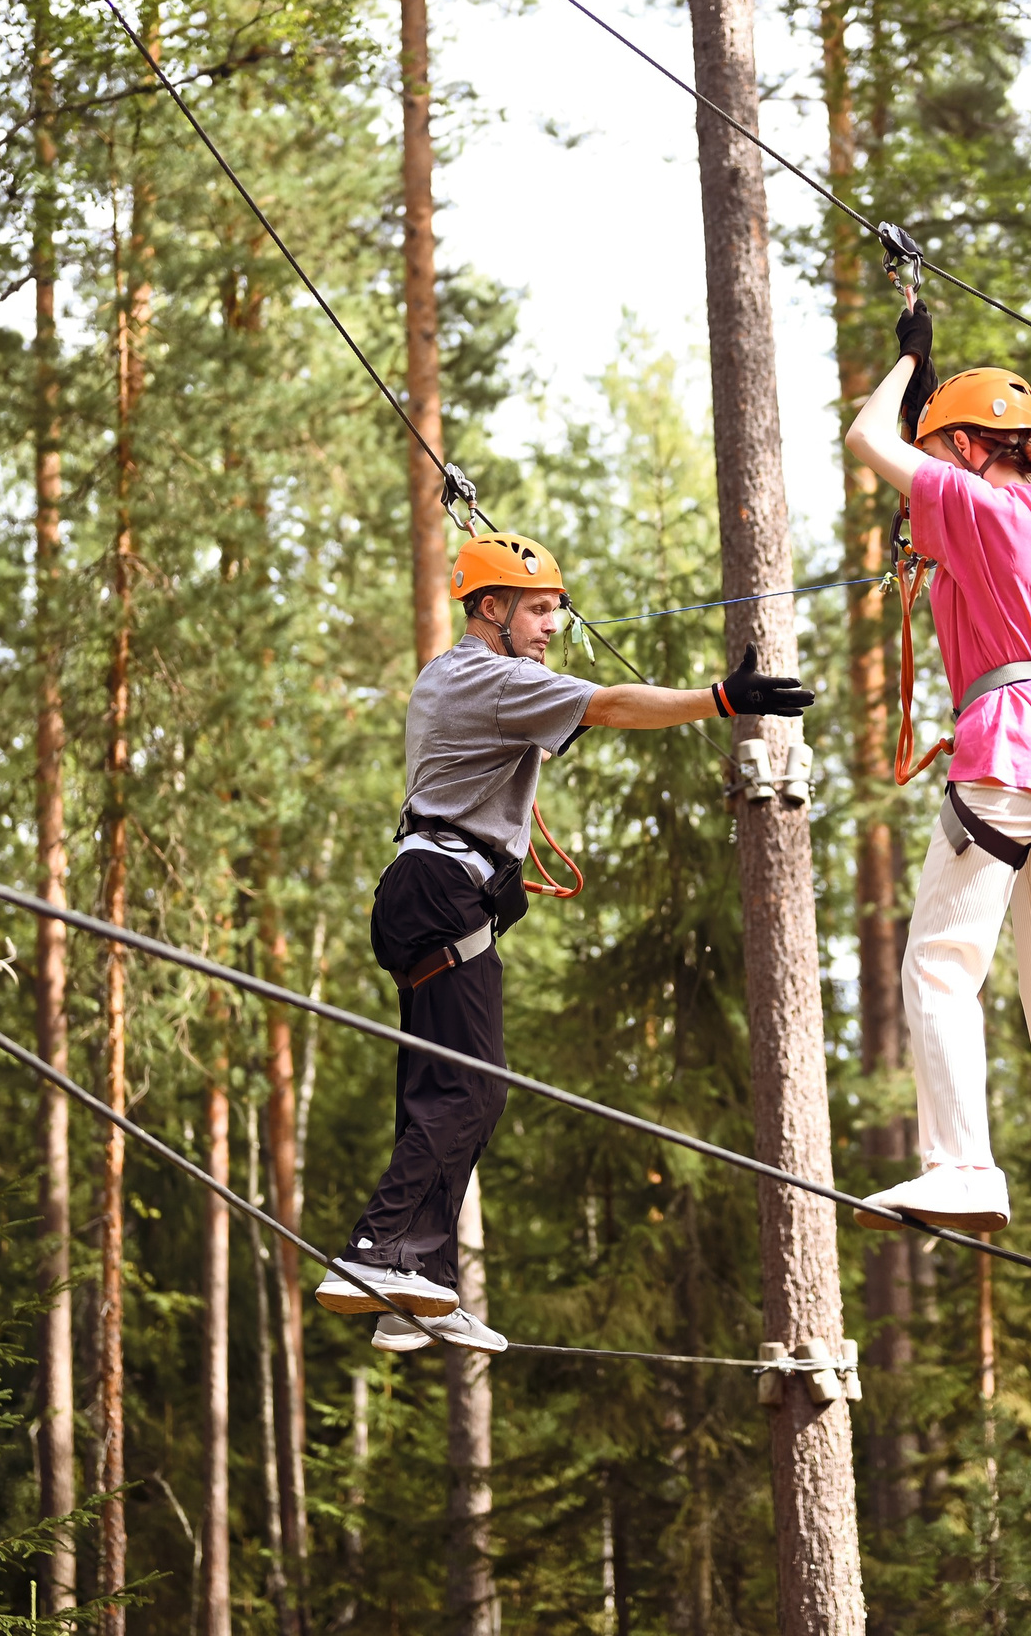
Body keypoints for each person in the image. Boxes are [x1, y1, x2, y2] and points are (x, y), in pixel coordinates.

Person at [317, 530, 815, 1351]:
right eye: (540, 610)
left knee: (446, 1093)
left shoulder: (466, 673)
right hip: (442, 890)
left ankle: (418, 1287)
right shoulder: (490, 676)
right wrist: (722, 701)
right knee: (471, 1091)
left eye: (556, 610)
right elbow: (615, 705)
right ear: (490, 609)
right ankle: (376, 1254)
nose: (553, 626)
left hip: (431, 889)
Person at [839, 300, 1031, 1294]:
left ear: (970, 449)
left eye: (941, 454)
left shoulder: (974, 502)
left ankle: (962, 1164)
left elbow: (861, 438)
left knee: (939, 962)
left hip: (1010, 750)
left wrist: (906, 366)